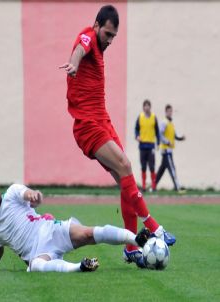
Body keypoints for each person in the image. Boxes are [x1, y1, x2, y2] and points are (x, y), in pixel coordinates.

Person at [59, 5, 175, 268]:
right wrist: (74, 64)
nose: (109, 40)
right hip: (88, 126)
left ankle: (131, 248)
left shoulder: (101, 45)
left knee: (126, 178)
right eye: (107, 34)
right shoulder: (88, 36)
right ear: (97, 25)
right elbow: (80, 49)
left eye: (114, 37)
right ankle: (154, 227)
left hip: (103, 119)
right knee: (124, 166)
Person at [0, 175, 150, 272]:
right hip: (37, 254)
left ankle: (137, 239)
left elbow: (27, 193)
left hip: (49, 230)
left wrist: (34, 195)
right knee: (36, 266)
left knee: (89, 233)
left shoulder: (11, 193)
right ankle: (80, 267)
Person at [156, 104, 186, 191]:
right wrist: (166, 141)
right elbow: (160, 134)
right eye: (168, 111)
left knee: (161, 170)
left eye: (171, 111)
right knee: (172, 168)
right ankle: (178, 187)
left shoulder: (171, 124)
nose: (170, 113)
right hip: (166, 150)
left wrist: (181, 138)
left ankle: (153, 187)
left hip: (169, 150)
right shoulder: (164, 122)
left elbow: (175, 136)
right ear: (166, 112)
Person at [134, 99, 160, 192]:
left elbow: (157, 131)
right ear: (143, 107)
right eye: (145, 106)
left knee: (152, 166)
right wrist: (137, 136)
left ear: (150, 107)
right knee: (143, 166)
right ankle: (144, 186)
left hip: (151, 145)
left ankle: (153, 186)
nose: (146, 107)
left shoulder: (154, 117)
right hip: (142, 146)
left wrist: (158, 143)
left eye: (148, 105)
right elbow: (136, 129)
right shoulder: (140, 117)